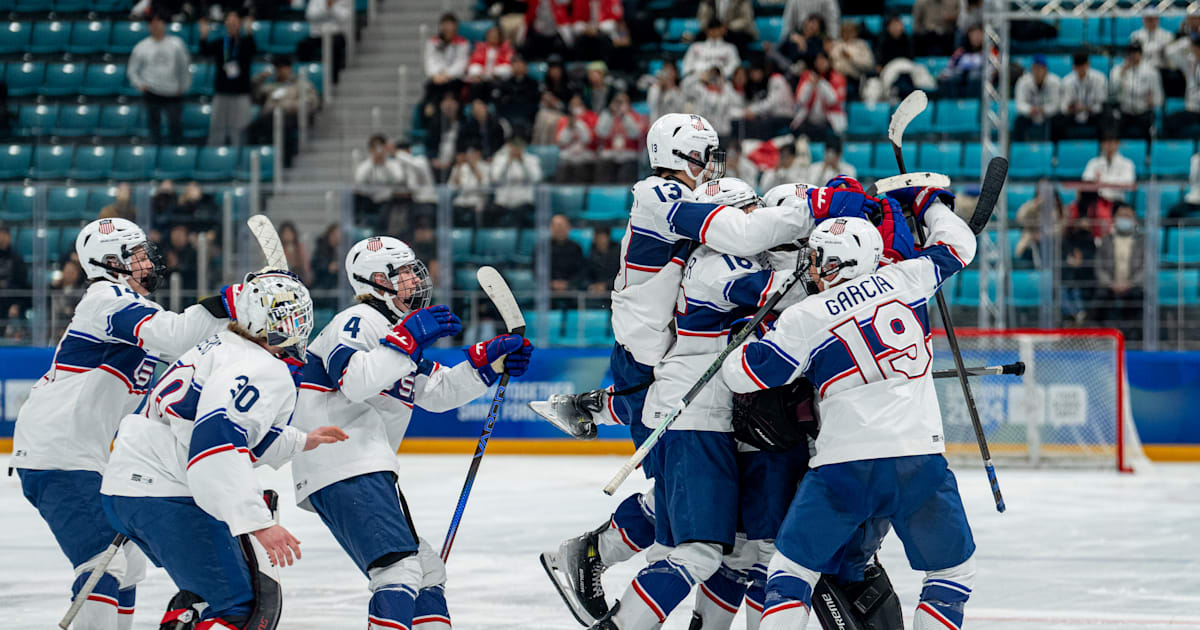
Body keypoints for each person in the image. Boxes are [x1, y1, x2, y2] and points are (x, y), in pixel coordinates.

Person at [534, 114, 878, 626]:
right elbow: (767, 261)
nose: (755, 221)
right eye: (702, 154)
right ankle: (600, 557)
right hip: (674, 393)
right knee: (696, 547)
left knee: (716, 536)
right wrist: (858, 249)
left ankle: (596, 411)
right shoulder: (675, 213)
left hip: (682, 389)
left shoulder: (717, 245)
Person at [722, 187, 979, 630]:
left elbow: (745, 375)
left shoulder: (806, 315)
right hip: (918, 459)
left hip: (843, 465)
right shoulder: (909, 278)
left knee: (789, 576)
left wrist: (742, 342)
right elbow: (960, 245)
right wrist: (929, 204)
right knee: (950, 575)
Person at [592, 178, 812, 630]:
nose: (753, 222)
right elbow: (787, 294)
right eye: (746, 212)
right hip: (696, 418)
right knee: (702, 553)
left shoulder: (716, 261)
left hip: (704, 418)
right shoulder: (717, 265)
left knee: (727, 550)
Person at [291, 237, 533, 630]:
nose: (412, 280)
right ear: (374, 281)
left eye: (411, 271)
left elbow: (436, 394)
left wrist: (487, 364)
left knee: (427, 574)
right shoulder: (356, 322)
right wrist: (406, 341)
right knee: (397, 572)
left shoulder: (393, 331)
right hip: (344, 460)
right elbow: (355, 380)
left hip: (365, 466)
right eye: (400, 273)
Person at [12, 218, 232, 630]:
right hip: (58, 452)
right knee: (101, 563)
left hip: (82, 454)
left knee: (127, 565)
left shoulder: (134, 306)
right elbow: (175, 335)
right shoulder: (106, 299)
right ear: (110, 262)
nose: (148, 262)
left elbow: (188, 346)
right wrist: (231, 300)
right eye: (137, 255)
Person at [101, 270, 348, 630]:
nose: (300, 324)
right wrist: (257, 523)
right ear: (272, 322)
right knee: (237, 608)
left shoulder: (219, 345)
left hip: (130, 487)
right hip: (166, 493)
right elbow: (216, 444)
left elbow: (225, 433)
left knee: (202, 596)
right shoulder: (259, 366)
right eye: (292, 315)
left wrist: (301, 440)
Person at [127, 12, 192, 145]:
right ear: (148, 26)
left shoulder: (177, 44)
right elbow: (132, 71)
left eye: (158, 21)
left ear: (164, 23)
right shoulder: (141, 47)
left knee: (175, 126)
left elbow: (185, 67)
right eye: (152, 22)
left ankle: (175, 157)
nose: (155, 25)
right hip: (152, 93)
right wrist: (140, 84)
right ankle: (154, 159)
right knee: (154, 128)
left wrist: (184, 87)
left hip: (173, 93)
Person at [247, 56, 320, 168]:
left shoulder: (300, 84)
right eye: (277, 68)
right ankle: (256, 163)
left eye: (282, 67)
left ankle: (285, 162)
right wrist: (260, 78)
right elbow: (254, 95)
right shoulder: (270, 86)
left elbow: (311, 102)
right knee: (252, 128)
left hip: (290, 116)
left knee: (284, 128)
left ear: (289, 68)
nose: (280, 71)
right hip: (269, 117)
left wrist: (286, 107)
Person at [199, 9, 256, 146]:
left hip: (241, 93)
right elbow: (205, 52)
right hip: (222, 92)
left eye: (235, 21)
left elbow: (253, 50)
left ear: (240, 23)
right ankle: (215, 159)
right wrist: (203, 35)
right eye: (229, 21)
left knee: (241, 129)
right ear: (225, 24)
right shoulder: (220, 43)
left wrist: (249, 31)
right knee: (217, 129)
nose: (232, 24)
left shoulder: (245, 43)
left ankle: (240, 159)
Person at [1094, 203, 1144, 341]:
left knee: (1138, 298)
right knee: (1101, 299)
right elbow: (1099, 268)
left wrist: (1131, 283)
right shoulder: (1106, 241)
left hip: (1134, 287)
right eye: (1121, 216)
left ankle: (1133, 340)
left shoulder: (1142, 242)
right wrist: (1111, 284)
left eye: (1127, 216)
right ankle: (1107, 339)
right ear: (1114, 219)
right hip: (1110, 287)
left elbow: (1145, 269)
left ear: (1134, 219)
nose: (1124, 219)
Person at [1079, 135, 1136, 239]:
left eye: (1112, 142)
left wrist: (1102, 180)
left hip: (1117, 204)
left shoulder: (1127, 164)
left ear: (1117, 143)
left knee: (1124, 216)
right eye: (1105, 142)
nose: (1109, 145)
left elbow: (1128, 183)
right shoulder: (1094, 162)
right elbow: (1086, 181)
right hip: (1096, 202)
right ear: (1101, 144)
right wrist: (1112, 182)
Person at [790, 50, 847, 143]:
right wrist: (810, 85)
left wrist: (821, 83)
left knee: (826, 134)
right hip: (809, 118)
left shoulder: (837, 78)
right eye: (817, 60)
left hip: (829, 120)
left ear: (829, 61)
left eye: (823, 60)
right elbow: (801, 100)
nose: (820, 63)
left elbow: (833, 101)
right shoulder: (808, 76)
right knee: (797, 132)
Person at [354, 134, 407, 232]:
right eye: (374, 147)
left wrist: (384, 163)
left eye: (380, 147)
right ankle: (357, 227)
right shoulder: (365, 164)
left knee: (385, 211)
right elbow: (359, 179)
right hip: (368, 199)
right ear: (370, 149)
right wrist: (372, 162)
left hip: (386, 200)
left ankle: (379, 233)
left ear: (385, 148)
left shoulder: (392, 164)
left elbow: (399, 178)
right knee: (354, 198)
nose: (378, 150)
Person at [1110, 42, 1163, 139]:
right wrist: (1122, 73)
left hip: (1143, 111)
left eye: (1136, 52)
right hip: (1125, 110)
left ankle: (1148, 153)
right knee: (1113, 129)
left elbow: (1159, 97)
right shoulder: (1118, 69)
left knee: (1150, 130)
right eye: (1131, 53)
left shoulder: (1151, 71)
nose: (1133, 55)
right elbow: (1112, 92)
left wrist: (1153, 101)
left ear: (1141, 54)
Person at [489, 136, 543, 227]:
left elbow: (536, 178)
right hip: (503, 203)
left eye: (518, 146)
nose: (516, 149)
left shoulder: (532, 159)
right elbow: (495, 178)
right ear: (509, 146)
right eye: (514, 146)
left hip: (523, 203)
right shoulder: (500, 159)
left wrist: (523, 163)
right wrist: (507, 163)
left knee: (518, 217)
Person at [1055, 50, 1108, 140]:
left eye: (1083, 66)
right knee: (1057, 120)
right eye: (1077, 67)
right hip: (1074, 113)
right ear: (1073, 67)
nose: (1080, 70)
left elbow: (1101, 103)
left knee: (1106, 117)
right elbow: (1064, 107)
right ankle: (1062, 149)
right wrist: (1073, 108)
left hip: (1092, 113)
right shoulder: (1067, 81)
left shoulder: (1099, 78)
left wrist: (1085, 108)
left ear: (1088, 64)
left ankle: (1102, 147)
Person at [594, 91, 645, 184]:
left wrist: (624, 116)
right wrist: (611, 115)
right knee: (604, 171)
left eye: (622, 102)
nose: (619, 105)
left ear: (628, 104)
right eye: (617, 102)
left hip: (628, 155)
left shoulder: (635, 116)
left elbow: (634, 134)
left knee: (626, 172)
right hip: (610, 154)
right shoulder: (606, 115)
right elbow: (601, 133)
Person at [422, 13, 470, 107]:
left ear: (455, 27)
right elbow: (430, 60)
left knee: (449, 90)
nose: (447, 29)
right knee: (430, 88)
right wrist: (437, 74)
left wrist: (448, 75)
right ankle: (430, 110)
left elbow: (461, 63)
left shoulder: (463, 43)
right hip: (437, 78)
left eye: (450, 26)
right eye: (445, 26)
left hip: (455, 79)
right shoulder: (433, 42)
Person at [1013, 55, 1061, 141]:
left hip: (1048, 114)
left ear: (1046, 70)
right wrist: (1030, 109)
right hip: (1030, 114)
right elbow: (1019, 104)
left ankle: (1055, 149)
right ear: (1031, 69)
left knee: (1058, 121)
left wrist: (1043, 109)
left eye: (1040, 69)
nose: (1037, 72)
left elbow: (1056, 104)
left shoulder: (1055, 82)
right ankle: (1019, 149)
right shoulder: (1023, 82)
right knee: (1019, 121)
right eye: (1035, 68)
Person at [303, 0, 351, 82]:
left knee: (337, 45)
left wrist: (332, 7)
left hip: (335, 34)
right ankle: (307, 77)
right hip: (317, 34)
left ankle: (334, 78)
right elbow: (310, 15)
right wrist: (326, 7)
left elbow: (344, 18)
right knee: (303, 46)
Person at [554, 94, 597, 183]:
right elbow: (561, 142)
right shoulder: (564, 120)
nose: (575, 107)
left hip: (586, 153)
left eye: (578, 104)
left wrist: (579, 124)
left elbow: (589, 140)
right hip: (569, 154)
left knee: (580, 167)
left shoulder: (592, 117)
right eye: (573, 105)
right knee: (563, 164)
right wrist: (569, 127)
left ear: (584, 105)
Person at [1163, 34, 1200, 136]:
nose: (1197, 51)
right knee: (1167, 122)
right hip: (1192, 109)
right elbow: (1169, 51)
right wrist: (1188, 41)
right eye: (1196, 47)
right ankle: (1177, 150)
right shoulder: (1190, 62)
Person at [466, 26, 514, 100]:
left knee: (497, 86)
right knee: (475, 85)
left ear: (500, 37)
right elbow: (473, 63)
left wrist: (495, 72)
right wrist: (477, 73)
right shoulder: (479, 48)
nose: (493, 37)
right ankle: (477, 104)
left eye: (495, 35)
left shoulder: (506, 49)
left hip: (497, 78)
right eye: (491, 35)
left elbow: (508, 67)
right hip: (481, 78)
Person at [448, 146, 491, 226]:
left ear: (478, 154)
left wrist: (474, 167)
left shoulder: (485, 166)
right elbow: (451, 187)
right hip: (461, 202)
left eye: (473, 154)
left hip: (476, 202)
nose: (470, 156)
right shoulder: (460, 167)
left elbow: (486, 186)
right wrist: (458, 168)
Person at [425, 93, 463, 182]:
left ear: (457, 104)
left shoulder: (462, 124)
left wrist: (453, 162)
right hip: (437, 162)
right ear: (441, 105)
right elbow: (429, 144)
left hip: (455, 163)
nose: (449, 105)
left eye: (452, 101)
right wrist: (433, 159)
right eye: (446, 101)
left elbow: (463, 147)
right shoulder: (435, 123)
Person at [829, 22, 874, 98]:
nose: (847, 34)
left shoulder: (862, 45)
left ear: (855, 32)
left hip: (853, 79)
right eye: (845, 31)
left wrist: (851, 58)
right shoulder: (835, 45)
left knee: (849, 92)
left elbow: (869, 65)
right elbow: (830, 61)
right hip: (834, 79)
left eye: (850, 31)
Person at [939, 24, 985, 98]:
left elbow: (992, 69)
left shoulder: (989, 52)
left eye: (979, 34)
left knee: (974, 75)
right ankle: (952, 105)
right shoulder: (961, 52)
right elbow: (950, 67)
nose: (976, 38)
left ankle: (973, 104)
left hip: (978, 83)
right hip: (960, 82)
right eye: (973, 34)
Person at [0, 224, 29, 335]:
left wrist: (16, 304)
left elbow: (22, 283)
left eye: (4, 234)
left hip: (11, 301)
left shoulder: (16, 259)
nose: (2, 238)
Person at [496, 54, 541, 126]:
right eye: (515, 63)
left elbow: (534, 102)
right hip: (509, 116)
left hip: (527, 117)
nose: (518, 65)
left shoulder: (533, 83)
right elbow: (500, 102)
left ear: (525, 66)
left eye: (520, 63)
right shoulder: (505, 83)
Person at [550, 214, 586, 296]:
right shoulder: (543, 249)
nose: (559, 229)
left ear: (568, 227)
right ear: (551, 228)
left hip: (571, 288)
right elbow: (537, 271)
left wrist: (568, 283)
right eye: (556, 227)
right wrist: (552, 283)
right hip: (549, 290)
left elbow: (581, 270)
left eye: (562, 226)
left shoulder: (576, 248)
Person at [585, 226, 620, 295]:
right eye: (598, 238)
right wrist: (591, 285)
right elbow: (585, 275)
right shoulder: (590, 255)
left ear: (608, 238)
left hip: (614, 291)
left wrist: (606, 286)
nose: (601, 241)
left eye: (603, 238)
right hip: (594, 292)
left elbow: (620, 275)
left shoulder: (619, 255)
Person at [278, 221, 313, 286]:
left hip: (299, 279)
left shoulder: (300, 248)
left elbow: (305, 265)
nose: (288, 235)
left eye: (289, 232)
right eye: (285, 233)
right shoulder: (278, 249)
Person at [1169, 150, 1200, 218]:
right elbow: (1193, 179)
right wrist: (1197, 164)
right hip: (1194, 200)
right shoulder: (1196, 159)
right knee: (1174, 211)